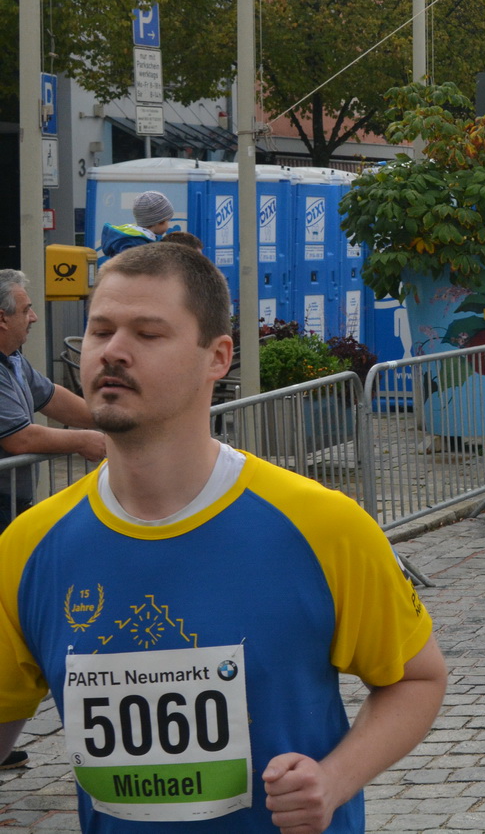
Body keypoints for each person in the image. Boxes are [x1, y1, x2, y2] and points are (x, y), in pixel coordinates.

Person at [0, 243, 445, 830]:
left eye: (148, 333)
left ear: (218, 357)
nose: (113, 351)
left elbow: (419, 677)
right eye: (101, 329)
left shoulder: (322, 525)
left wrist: (335, 779)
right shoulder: (27, 546)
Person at [1, 270, 107, 538]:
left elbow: (52, 397)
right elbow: (20, 438)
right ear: (2, 318)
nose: (33, 318)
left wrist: (108, 416)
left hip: (11, 502)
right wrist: (84, 441)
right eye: (26, 311)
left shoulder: (13, 358)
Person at [97, 189, 175, 266]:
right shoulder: (137, 244)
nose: (168, 225)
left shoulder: (134, 238)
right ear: (160, 222)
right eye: (168, 221)